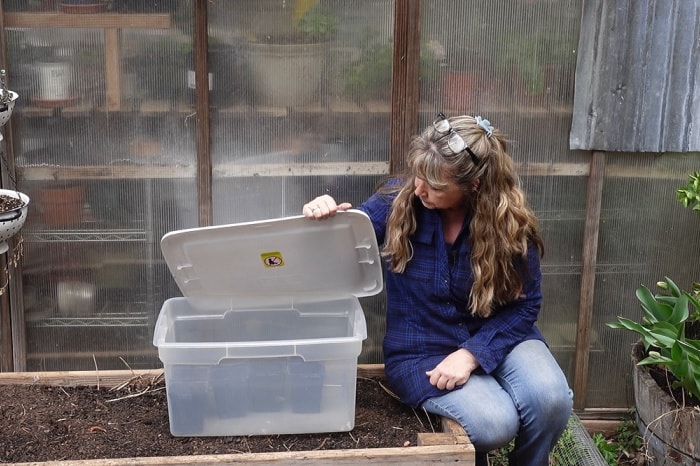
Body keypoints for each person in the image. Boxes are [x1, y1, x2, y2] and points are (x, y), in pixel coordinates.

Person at [303, 113, 573, 465]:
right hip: (422, 350)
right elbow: (346, 242)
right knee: (495, 423)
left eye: (436, 185)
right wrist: (322, 215)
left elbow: (525, 305)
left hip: (499, 336)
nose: (419, 189)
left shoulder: (509, 223)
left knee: (551, 400)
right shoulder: (398, 201)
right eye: (419, 174)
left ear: (474, 185)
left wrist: (472, 355)